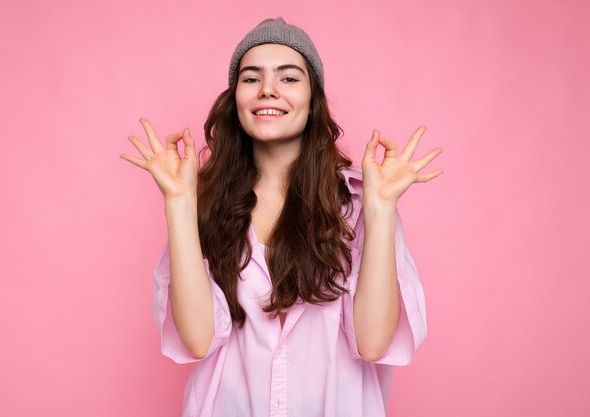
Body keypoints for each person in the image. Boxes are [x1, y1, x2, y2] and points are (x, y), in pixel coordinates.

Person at [120, 17, 442, 417]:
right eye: (251, 78)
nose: (268, 89)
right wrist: (179, 201)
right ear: (235, 98)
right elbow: (198, 338)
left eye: (289, 78)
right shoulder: (204, 202)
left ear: (313, 101)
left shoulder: (361, 201)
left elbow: (373, 342)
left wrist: (380, 209)